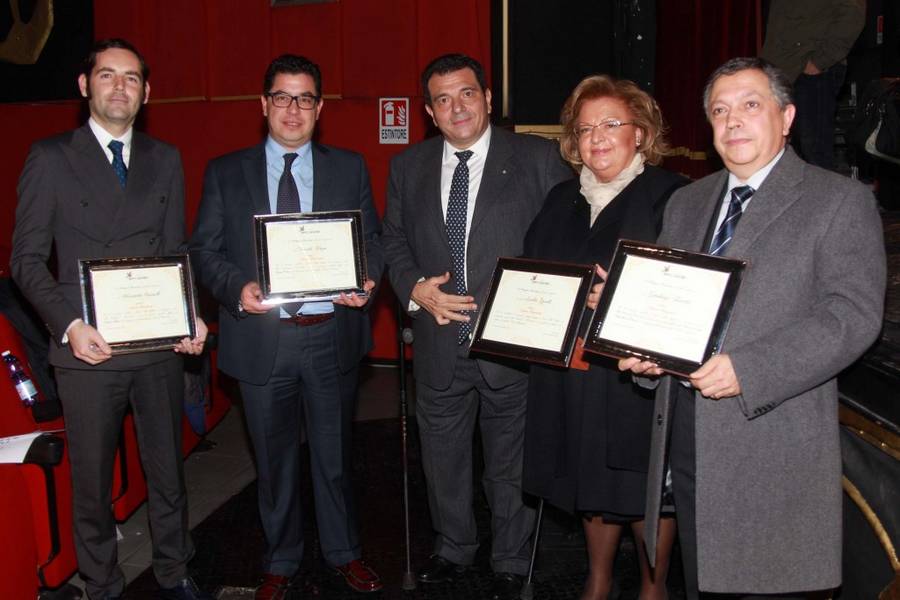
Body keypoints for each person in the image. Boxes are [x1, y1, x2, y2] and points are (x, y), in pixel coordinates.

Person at [620, 57, 885, 598]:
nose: (732, 120)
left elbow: (852, 315)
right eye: (719, 110)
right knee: (703, 585)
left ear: (786, 117)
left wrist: (749, 369)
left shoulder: (838, 200)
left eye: (749, 105)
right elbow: (668, 305)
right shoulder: (687, 202)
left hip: (772, 441)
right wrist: (647, 352)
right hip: (690, 440)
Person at [11, 38, 210, 600]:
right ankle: (101, 583)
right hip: (87, 346)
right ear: (84, 85)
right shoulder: (50, 157)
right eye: (106, 76)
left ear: (146, 93)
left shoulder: (164, 157)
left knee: (167, 470)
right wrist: (70, 325)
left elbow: (176, 250)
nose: (118, 86)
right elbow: (25, 261)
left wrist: (189, 315)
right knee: (93, 481)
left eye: (130, 78)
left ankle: (174, 569)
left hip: (156, 343)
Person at [188, 54, 383, 600]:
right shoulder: (226, 171)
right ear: (263, 104)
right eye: (281, 97)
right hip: (261, 338)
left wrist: (366, 280)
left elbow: (374, 240)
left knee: (334, 457)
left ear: (319, 109)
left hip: (329, 333)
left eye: (304, 99)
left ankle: (344, 553)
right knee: (273, 463)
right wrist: (235, 288)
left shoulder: (350, 167)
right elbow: (203, 249)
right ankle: (280, 559)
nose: (292, 109)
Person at [382, 53, 573, 600]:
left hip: (510, 345)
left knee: (510, 463)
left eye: (466, 93)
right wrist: (414, 287)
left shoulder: (536, 158)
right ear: (429, 111)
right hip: (439, 342)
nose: (456, 106)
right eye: (442, 99)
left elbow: (562, 237)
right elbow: (392, 238)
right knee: (442, 459)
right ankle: (453, 549)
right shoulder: (408, 167)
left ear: (489, 99)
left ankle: (511, 559)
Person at [522, 75, 687, 600]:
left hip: (637, 374)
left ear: (639, 132)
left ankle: (652, 585)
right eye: (585, 127)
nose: (597, 137)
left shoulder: (673, 196)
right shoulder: (559, 198)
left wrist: (624, 299)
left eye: (611, 124)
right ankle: (597, 580)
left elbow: (685, 289)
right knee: (591, 477)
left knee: (641, 482)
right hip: (572, 369)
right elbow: (534, 274)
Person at [760, 0, 865, 170]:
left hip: (811, 72)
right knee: (785, 150)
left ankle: (822, 196)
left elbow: (852, 16)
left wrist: (819, 61)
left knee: (814, 150)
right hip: (781, 71)